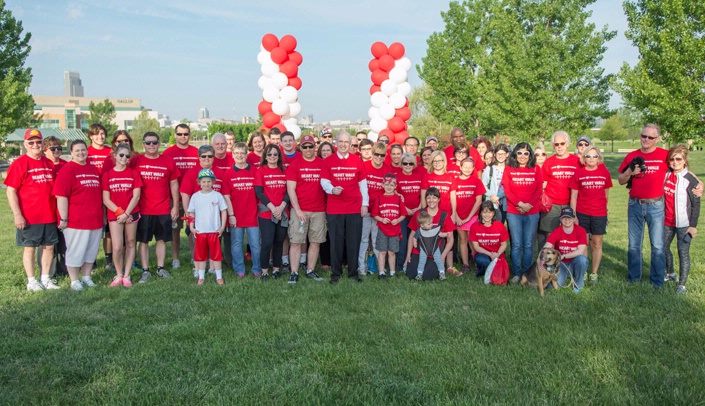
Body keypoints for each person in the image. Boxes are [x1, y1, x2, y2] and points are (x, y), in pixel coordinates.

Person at [5, 129, 60, 291]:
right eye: (31, 142)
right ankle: (31, 281)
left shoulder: (49, 163)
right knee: (30, 248)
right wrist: (17, 215)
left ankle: (45, 278)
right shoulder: (19, 164)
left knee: (49, 247)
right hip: (29, 216)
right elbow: (11, 190)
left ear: (43, 144)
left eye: (38, 142)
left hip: (49, 214)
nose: (35, 145)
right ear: (25, 145)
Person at [618, 124, 669, 287]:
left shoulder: (665, 155)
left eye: (650, 137)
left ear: (657, 139)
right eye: (643, 136)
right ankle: (634, 279)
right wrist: (630, 172)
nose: (646, 140)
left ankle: (657, 280)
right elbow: (620, 180)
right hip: (635, 205)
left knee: (658, 245)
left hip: (656, 205)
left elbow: (682, 170)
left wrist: (698, 184)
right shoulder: (632, 156)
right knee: (634, 244)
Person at [53, 139, 103, 291]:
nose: (81, 153)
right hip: (76, 220)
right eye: (77, 151)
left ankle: (87, 277)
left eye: (83, 150)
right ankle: (74, 280)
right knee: (76, 250)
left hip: (94, 219)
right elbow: (61, 196)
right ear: (71, 153)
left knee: (91, 250)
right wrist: (64, 218)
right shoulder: (68, 170)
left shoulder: (93, 169)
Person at [320, 131, 368, 284]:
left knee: (354, 241)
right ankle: (336, 273)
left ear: (350, 144)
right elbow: (324, 181)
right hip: (335, 209)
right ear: (336, 142)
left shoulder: (357, 161)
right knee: (336, 242)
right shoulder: (328, 161)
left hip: (354, 207)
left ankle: (353, 273)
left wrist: (364, 204)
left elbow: (363, 185)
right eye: (341, 141)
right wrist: (331, 189)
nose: (343, 145)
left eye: (346, 142)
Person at [134, 132, 180, 283]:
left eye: (154, 142)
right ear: (143, 144)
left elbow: (173, 183)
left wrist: (174, 206)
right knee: (144, 241)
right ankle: (146, 270)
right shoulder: (137, 161)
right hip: (144, 208)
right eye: (148, 143)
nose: (151, 145)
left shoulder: (168, 161)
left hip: (163, 208)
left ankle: (160, 268)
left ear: (159, 144)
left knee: (161, 239)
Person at [180, 145, 234, 274]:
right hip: (198, 217)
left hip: (215, 215)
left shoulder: (220, 172)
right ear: (199, 157)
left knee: (215, 242)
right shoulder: (192, 172)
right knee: (198, 243)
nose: (207, 159)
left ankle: (212, 266)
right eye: (204, 156)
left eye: (210, 156)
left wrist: (229, 214)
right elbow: (185, 194)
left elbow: (225, 194)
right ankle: (197, 267)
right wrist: (189, 216)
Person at [569, 145, 612, 283]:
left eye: (594, 156)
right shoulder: (578, 173)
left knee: (597, 243)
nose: (591, 158)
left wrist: (605, 212)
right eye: (588, 156)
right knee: (583, 243)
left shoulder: (604, 172)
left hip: (599, 213)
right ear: (584, 158)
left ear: (599, 158)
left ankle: (594, 272)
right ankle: (584, 270)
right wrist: (573, 215)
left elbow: (606, 195)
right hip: (582, 212)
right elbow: (574, 196)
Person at [286, 135, 326, 283]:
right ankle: (294, 272)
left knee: (315, 242)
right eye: (305, 146)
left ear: (315, 147)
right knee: (296, 241)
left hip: (319, 210)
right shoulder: (295, 165)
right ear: (300, 148)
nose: (308, 149)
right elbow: (291, 189)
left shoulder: (322, 164)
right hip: (300, 210)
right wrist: (297, 210)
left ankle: (310, 270)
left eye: (311, 146)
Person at [102, 143, 142, 287]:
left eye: (127, 156)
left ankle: (127, 275)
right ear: (115, 156)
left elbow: (136, 196)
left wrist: (127, 213)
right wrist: (121, 213)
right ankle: (118, 274)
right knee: (117, 247)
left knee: (131, 242)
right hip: (116, 215)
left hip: (131, 213)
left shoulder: (134, 173)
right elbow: (106, 199)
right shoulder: (107, 175)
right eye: (121, 155)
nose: (124, 158)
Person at [503, 142, 543, 283]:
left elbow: (539, 189)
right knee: (517, 244)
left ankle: (527, 274)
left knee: (528, 244)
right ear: (515, 154)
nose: (522, 156)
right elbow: (507, 190)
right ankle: (516, 273)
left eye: (526, 153)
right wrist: (520, 204)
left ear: (530, 155)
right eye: (519, 152)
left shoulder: (536, 169)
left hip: (532, 213)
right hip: (514, 212)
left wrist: (529, 205)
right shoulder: (508, 169)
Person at [663, 145, 700, 294]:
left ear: (684, 160)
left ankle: (682, 284)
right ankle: (670, 272)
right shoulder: (665, 175)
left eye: (678, 159)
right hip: (667, 222)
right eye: (672, 159)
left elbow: (696, 204)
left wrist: (693, 226)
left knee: (682, 252)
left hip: (684, 224)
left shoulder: (690, 180)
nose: (675, 162)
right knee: (663, 248)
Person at [161, 124, 199, 269]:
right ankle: (175, 258)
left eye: (186, 134)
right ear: (175, 135)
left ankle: (194, 255)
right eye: (180, 134)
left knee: (193, 228)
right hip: (174, 198)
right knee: (175, 229)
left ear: (190, 135)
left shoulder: (196, 152)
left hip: (194, 198)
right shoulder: (168, 153)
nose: (183, 137)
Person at [538, 131, 581, 250]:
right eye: (556, 144)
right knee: (550, 234)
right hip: (552, 204)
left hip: (570, 203)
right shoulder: (549, 162)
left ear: (568, 144)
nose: (559, 146)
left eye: (562, 143)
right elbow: (543, 184)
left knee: (569, 235)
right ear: (553, 146)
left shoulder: (576, 161)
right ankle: (549, 263)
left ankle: (566, 261)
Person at [224, 142, 261, 277]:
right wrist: (231, 214)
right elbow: (226, 196)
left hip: (252, 214)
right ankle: (239, 269)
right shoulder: (228, 173)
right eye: (236, 153)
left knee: (255, 244)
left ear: (246, 155)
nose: (239, 156)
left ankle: (257, 268)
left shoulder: (254, 171)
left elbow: (259, 192)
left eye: (242, 153)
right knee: (236, 243)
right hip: (236, 215)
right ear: (233, 155)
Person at [187, 169, 228, 285]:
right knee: (201, 256)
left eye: (209, 181)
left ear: (213, 182)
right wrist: (191, 227)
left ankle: (219, 276)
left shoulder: (217, 196)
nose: (206, 184)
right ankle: (201, 277)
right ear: (199, 182)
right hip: (200, 231)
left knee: (216, 255)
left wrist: (222, 227)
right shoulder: (195, 197)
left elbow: (224, 211)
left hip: (214, 231)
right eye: (203, 181)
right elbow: (191, 213)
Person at [404, 187, 455, 280]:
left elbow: (450, 239)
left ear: (439, 199)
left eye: (434, 198)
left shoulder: (444, 215)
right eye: (428, 198)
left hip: (435, 252)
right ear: (425, 199)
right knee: (411, 275)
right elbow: (412, 235)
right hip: (420, 251)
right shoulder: (419, 214)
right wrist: (408, 255)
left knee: (428, 276)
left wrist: (443, 256)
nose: (431, 200)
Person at [255, 144, 289, 282]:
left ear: (279, 156)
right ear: (265, 156)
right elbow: (259, 192)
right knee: (267, 242)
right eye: (269, 154)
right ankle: (264, 271)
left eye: (275, 154)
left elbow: (289, 191)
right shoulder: (260, 171)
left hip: (282, 211)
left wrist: (280, 207)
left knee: (279, 242)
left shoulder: (285, 170)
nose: (272, 157)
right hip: (266, 213)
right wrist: (273, 208)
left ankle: (276, 269)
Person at [359, 142, 392, 276]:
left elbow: (391, 188)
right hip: (365, 208)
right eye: (376, 154)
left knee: (377, 239)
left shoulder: (387, 169)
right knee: (364, 238)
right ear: (372, 154)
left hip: (380, 211)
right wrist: (362, 204)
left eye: (382, 155)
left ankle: (380, 267)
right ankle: (361, 267)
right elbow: (359, 187)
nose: (379, 157)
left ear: (385, 156)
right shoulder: (364, 166)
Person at [86, 123, 114, 271]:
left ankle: (109, 260)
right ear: (91, 136)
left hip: (109, 194)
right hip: (91, 194)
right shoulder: (86, 152)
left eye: (103, 134)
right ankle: (92, 259)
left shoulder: (111, 152)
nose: (100, 137)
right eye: (97, 134)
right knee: (93, 229)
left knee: (108, 230)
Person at [451, 158, 486, 274]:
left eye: (470, 167)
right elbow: (453, 199)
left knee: (473, 241)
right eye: (464, 167)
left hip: (472, 216)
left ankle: (476, 262)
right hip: (459, 217)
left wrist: (469, 218)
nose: (467, 169)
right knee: (462, 240)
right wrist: (455, 215)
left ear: (473, 169)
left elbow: (478, 201)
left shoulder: (476, 181)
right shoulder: (455, 181)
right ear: (460, 167)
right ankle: (465, 264)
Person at [544, 208, 588, 292]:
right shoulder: (557, 231)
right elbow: (547, 246)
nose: (567, 220)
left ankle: (578, 284)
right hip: (561, 265)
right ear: (560, 219)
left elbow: (581, 251)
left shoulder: (581, 231)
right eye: (564, 218)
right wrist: (543, 257)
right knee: (553, 288)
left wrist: (563, 256)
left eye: (569, 217)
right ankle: (562, 275)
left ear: (574, 218)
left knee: (582, 259)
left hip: (575, 263)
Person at [371, 174, 406, 279]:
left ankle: (392, 272)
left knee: (392, 252)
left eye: (392, 185)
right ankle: (381, 272)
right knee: (382, 251)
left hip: (394, 230)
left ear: (395, 186)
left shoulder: (398, 199)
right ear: (382, 185)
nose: (389, 187)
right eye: (387, 184)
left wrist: (398, 220)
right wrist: (381, 219)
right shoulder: (379, 198)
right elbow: (374, 214)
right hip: (383, 230)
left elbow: (404, 214)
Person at [395, 153, 424, 273]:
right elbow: (395, 195)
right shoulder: (397, 177)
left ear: (414, 164)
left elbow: (423, 195)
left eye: (410, 163)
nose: (408, 165)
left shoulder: (419, 176)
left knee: (416, 240)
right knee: (403, 240)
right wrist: (405, 209)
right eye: (405, 163)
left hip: (417, 213)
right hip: (402, 214)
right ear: (401, 164)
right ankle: (401, 265)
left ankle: (414, 263)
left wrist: (418, 209)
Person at [469, 201, 509, 278]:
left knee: (501, 273)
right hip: (483, 254)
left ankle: (492, 268)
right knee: (483, 261)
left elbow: (504, 244)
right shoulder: (474, 227)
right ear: (480, 213)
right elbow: (476, 247)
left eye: (490, 212)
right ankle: (481, 269)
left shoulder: (500, 226)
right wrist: (490, 254)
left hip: (497, 253)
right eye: (484, 212)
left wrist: (497, 254)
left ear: (493, 213)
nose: (487, 215)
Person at [413, 210, 450, 281]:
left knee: (439, 260)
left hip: (435, 248)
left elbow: (440, 234)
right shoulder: (419, 230)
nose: (431, 224)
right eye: (429, 224)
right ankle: (419, 274)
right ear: (422, 225)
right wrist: (414, 242)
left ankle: (442, 273)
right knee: (422, 261)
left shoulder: (434, 229)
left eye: (431, 223)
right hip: (424, 249)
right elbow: (414, 237)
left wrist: (446, 234)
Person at [483, 144, 508, 223]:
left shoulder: (510, 169)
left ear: (507, 155)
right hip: (492, 202)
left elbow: (512, 186)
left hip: (507, 202)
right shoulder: (490, 168)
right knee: (494, 226)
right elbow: (483, 185)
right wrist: (491, 195)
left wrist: (499, 196)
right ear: (495, 155)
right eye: (498, 154)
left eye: (503, 154)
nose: (501, 156)